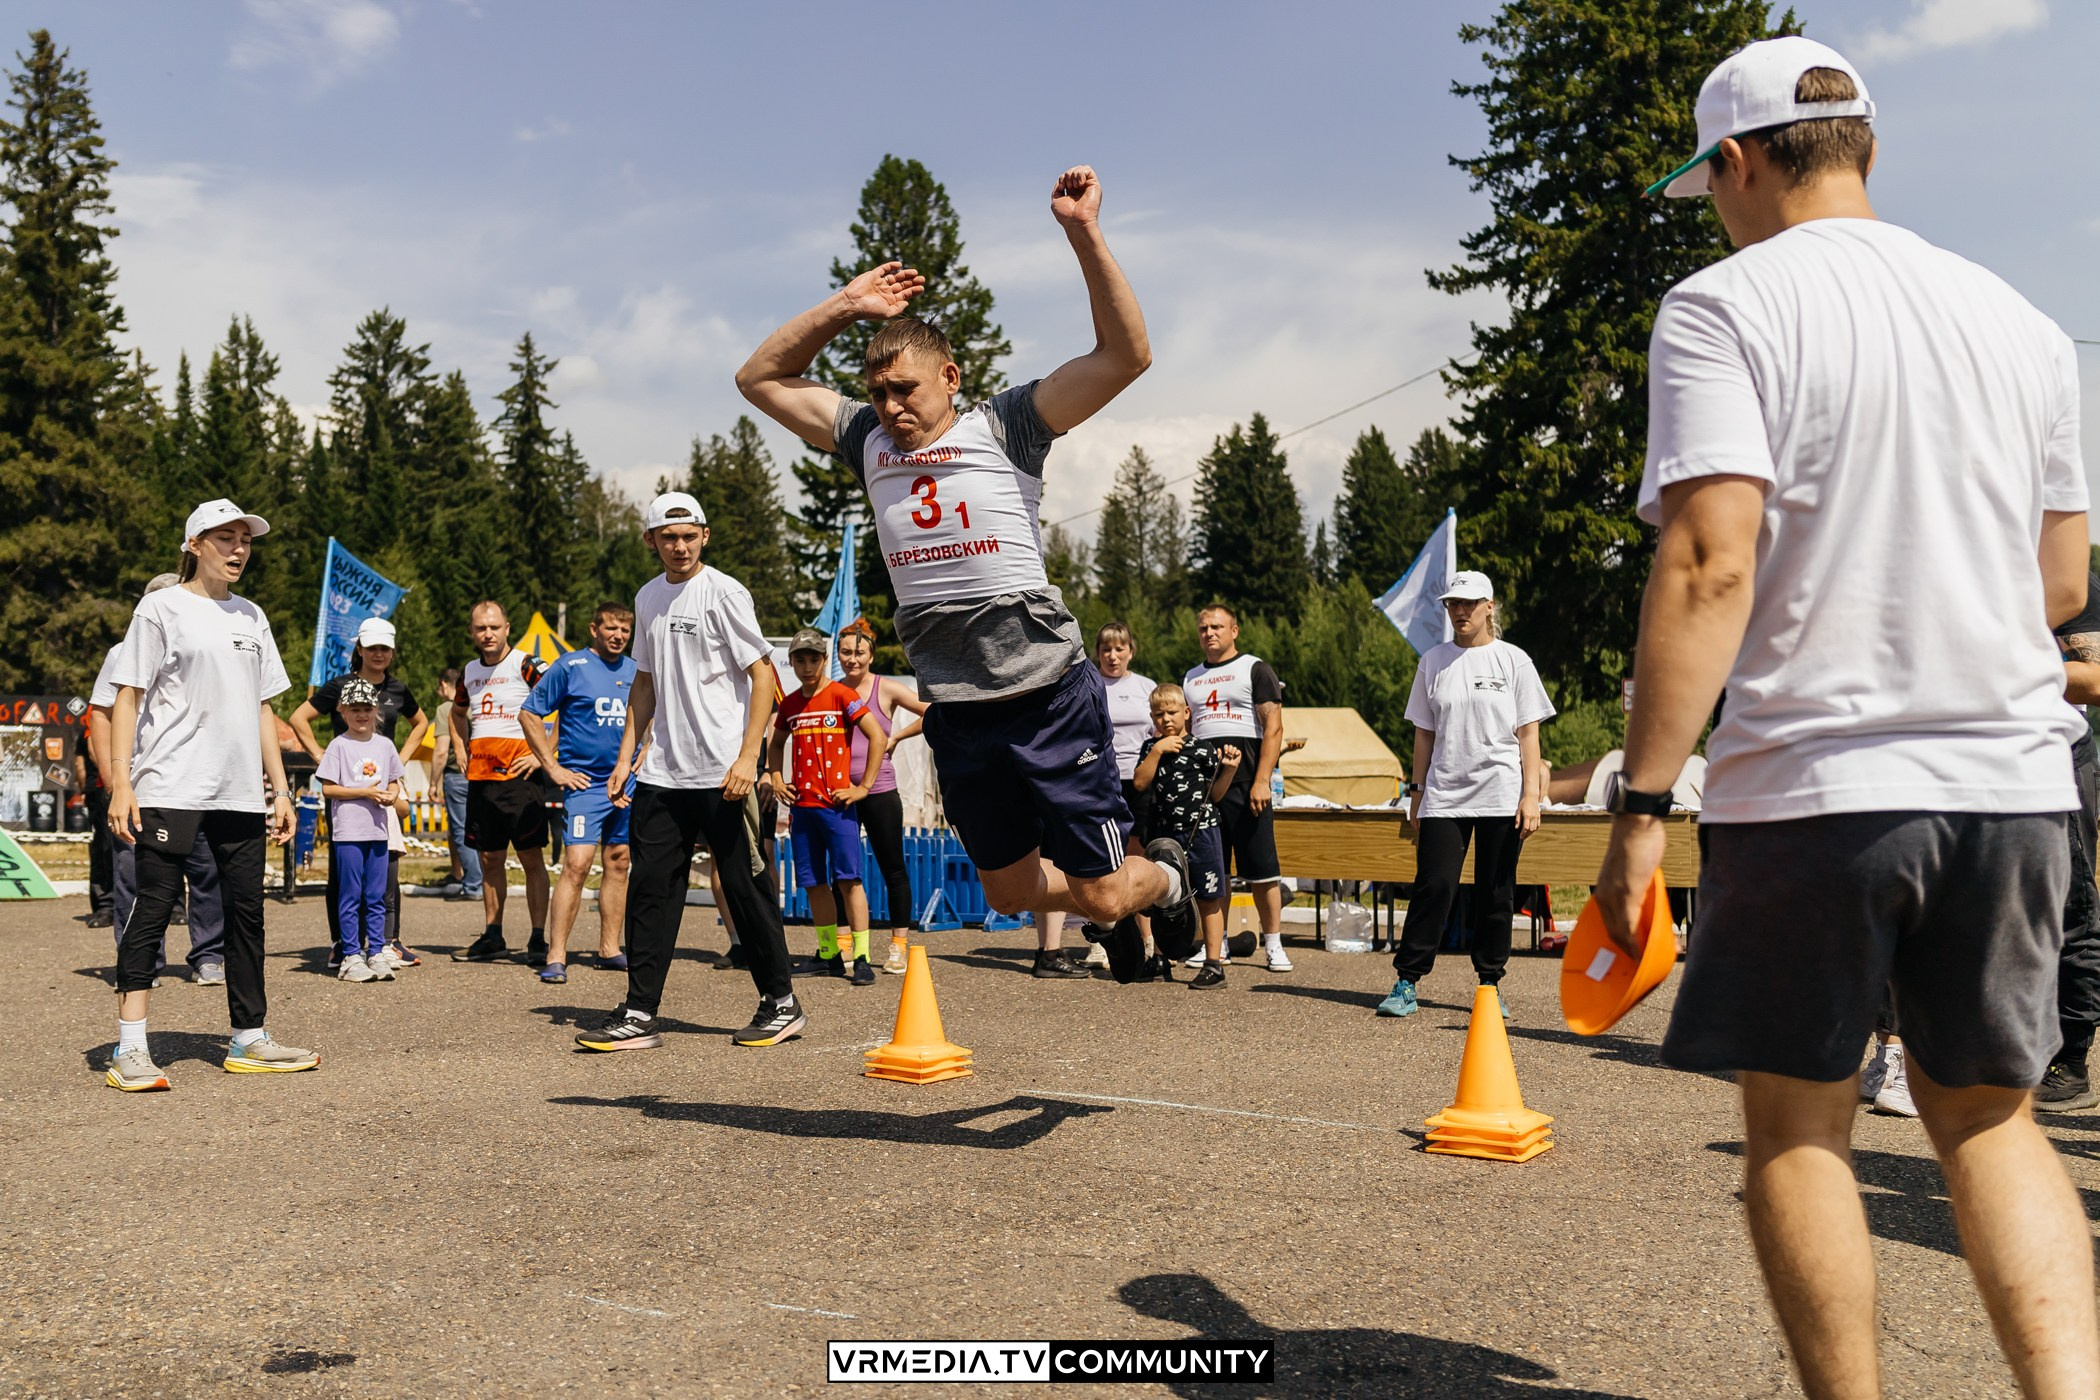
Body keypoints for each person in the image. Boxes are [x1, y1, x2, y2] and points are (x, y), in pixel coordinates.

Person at [1595, 38, 2098, 1396]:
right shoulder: (2024, 323)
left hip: (1821, 780)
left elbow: (1709, 561)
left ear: (1738, 164)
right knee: (1992, 1126)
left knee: (1802, 1136)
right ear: (1867, 147)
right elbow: (2061, 583)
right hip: (2012, 778)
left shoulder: (1722, 307)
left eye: (1709, 188)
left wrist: (1642, 809)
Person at [736, 164, 1196, 981]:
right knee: (1010, 890)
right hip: (959, 708)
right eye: (875, 392)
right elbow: (759, 378)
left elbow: (1126, 355)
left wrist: (1083, 232)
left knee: (1101, 897)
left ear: (949, 378)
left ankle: (1167, 880)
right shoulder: (866, 444)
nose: (888, 407)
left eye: (903, 389)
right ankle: (1118, 902)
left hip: (1047, 694)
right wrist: (846, 306)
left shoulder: (1007, 427)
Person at [102, 499, 319, 1089]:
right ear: (194, 544)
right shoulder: (160, 607)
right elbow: (127, 697)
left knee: (246, 916)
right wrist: (122, 781)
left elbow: (262, 706)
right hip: (171, 784)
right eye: (225, 538)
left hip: (240, 792)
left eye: (245, 539)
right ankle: (130, 1048)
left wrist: (280, 790)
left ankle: (249, 1037)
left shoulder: (252, 616)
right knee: (154, 907)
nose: (239, 548)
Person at [575, 492, 803, 1051]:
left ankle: (781, 1001)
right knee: (651, 891)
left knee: (745, 888)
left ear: (705, 536)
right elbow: (645, 684)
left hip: (725, 772)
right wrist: (627, 756)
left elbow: (763, 678)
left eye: (689, 535)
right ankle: (639, 1010)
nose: (679, 546)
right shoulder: (647, 597)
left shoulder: (724, 592)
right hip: (663, 774)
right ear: (650, 541)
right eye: (667, 536)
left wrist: (750, 759)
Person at [1377, 572, 1551, 1019]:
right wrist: (1416, 793)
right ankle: (1407, 981)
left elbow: (1528, 735)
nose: (1459, 611)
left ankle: (1490, 986)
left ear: (1489, 606)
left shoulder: (1514, 661)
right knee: (1434, 886)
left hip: (1500, 792)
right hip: (1443, 795)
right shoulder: (1433, 661)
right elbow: (1423, 735)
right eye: (1453, 603)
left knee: (1496, 891)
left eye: (1469, 603)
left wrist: (1530, 797)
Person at [88, 571, 228, 985]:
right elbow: (100, 712)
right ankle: (141, 963)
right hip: (140, 782)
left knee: (206, 871)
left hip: (197, 779)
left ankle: (208, 957)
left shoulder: (204, 647)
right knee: (134, 876)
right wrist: (112, 778)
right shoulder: (121, 652)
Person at [291, 616, 430, 969]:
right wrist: (322, 757)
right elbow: (298, 718)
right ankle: (342, 943)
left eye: (385, 648)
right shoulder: (339, 685)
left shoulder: (397, 690)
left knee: (387, 864)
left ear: (393, 651)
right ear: (360, 649)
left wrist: (398, 760)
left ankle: (388, 940)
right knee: (344, 868)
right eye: (372, 648)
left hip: (383, 787)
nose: (378, 654)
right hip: (344, 789)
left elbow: (422, 723)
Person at [521, 603, 640, 985]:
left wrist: (645, 756)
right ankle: (557, 955)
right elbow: (529, 713)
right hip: (585, 785)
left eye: (624, 629)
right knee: (577, 864)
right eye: (610, 628)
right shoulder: (570, 667)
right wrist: (552, 767)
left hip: (626, 784)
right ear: (594, 629)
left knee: (619, 862)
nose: (618, 635)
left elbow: (652, 719)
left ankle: (609, 948)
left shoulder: (639, 670)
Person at [771, 626, 887, 985]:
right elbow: (775, 744)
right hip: (802, 810)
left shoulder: (841, 695)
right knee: (813, 884)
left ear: (824, 660)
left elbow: (877, 735)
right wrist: (775, 776)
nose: (807, 666)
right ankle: (828, 955)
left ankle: (863, 956)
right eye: (800, 659)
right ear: (791, 662)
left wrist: (863, 787)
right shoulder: (789, 703)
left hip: (837, 807)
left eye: (814, 659)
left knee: (849, 880)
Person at [1182, 604, 1290, 972]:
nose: (1209, 633)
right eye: (1203, 628)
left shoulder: (1255, 669)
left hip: (1247, 785)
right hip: (1206, 786)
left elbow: (1273, 728)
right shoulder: (1191, 677)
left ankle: (1274, 944)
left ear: (1235, 631)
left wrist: (1263, 780)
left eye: (1216, 627)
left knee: (1262, 869)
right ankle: (1218, 943)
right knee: (1213, 870)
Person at [450, 602, 552, 964]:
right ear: (472, 632)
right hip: (481, 780)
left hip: (520, 780)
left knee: (530, 858)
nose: (488, 634)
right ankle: (493, 934)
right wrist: (460, 747)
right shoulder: (470, 670)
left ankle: (539, 938)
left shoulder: (526, 664)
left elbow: (568, 703)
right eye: (480, 628)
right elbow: (457, 712)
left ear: (507, 628)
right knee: (490, 858)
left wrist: (543, 754)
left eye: (494, 627)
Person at [835, 618, 929, 975]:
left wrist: (896, 737)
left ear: (870, 655)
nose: (852, 659)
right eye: (846, 652)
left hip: (880, 790)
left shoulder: (886, 689)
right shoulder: (833, 690)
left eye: (859, 652)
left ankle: (897, 947)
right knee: (842, 871)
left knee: (893, 869)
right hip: (841, 792)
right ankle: (845, 946)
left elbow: (931, 712)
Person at [2038, 571, 2100, 1109]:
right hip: (1973, 756)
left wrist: (1997, 669)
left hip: (2058, 757)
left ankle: (2071, 1060)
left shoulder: (2070, 580)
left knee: (2073, 910)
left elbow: (2096, 679)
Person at [1133, 684, 1239, 988]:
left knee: (1208, 898)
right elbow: (1140, 783)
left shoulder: (1203, 749)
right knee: (1163, 898)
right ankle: (1161, 959)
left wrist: (1229, 770)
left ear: (1186, 713)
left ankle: (1213, 964)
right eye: (1159, 714)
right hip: (1165, 838)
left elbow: (1215, 795)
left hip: (1202, 832)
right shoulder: (1149, 747)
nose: (1166, 719)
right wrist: (1156, 750)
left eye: (1172, 712)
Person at [315, 679, 405, 983]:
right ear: (343, 711)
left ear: (376, 710)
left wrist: (391, 793)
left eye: (367, 708)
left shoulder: (385, 745)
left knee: (376, 895)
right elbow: (328, 789)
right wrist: (363, 792)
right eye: (355, 709)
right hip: (348, 833)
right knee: (350, 894)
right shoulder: (338, 745)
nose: (361, 714)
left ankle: (376, 950)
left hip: (379, 831)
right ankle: (351, 954)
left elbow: (394, 780)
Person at [1083, 621, 1156, 970]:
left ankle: (1147, 939)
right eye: (1106, 649)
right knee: (1103, 863)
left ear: (1131, 651)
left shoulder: (1146, 687)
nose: (1112, 656)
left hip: (1139, 781)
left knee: (1137, 859)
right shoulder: (1087, 683)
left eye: (1119, 649)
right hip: (1099, 781)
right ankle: (1103, 939)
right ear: (1097, 653)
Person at [428, 667, 480, 903]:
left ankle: (473, 884)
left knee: (461, 831)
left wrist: (433, 782)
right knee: (481, 830)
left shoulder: (446, 709)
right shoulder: (477, 702)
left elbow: (441, 751)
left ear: (445, 685)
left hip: (457, 775)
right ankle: (483, 881)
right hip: (482, 773)